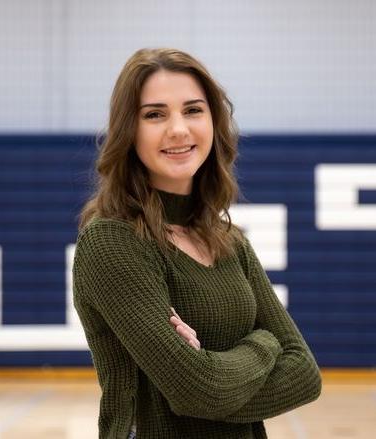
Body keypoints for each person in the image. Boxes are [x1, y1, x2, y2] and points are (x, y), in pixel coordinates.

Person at [73, 48, 321, 439]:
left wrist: (213, 371)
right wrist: (265, 343)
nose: (178, 129)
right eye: (155, 114)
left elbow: (305, 375)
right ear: (129, 130)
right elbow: (196, 392)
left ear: (213, 122)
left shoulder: (228, 240)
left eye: (193, 110)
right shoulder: (111, 242)